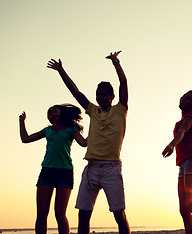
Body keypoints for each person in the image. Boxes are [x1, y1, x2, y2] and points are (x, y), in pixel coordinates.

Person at [47, 51, 130, 234]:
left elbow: (123, 83)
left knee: (119, 214)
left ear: (112, 96)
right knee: (83, 214)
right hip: (91, 168)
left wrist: (116, 62)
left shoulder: (120, 110)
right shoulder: (93, 110)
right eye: (98, 95)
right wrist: (61, 70)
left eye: (105, 95)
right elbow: (75, 91)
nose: (101, 98)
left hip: (111, 168)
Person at [19, 104, 87, 234]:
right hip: (47, 172)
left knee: (60, 214)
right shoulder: (47, 130)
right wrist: (22, 122)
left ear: (62, 113)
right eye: (49, 111)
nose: (51, 111)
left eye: (54, 109)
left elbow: (84, 143)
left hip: (65, 172)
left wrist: (97, 129)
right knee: (41, 214)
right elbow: (25, 139)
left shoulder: (71, 129)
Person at [162, 90, 192, 234]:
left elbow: (182, 132)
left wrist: (171, 145)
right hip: (183, 163)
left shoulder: (190, 117)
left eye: (188, 98)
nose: (183, 99)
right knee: (184, 209)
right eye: (183, 96)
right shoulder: (183, 119)